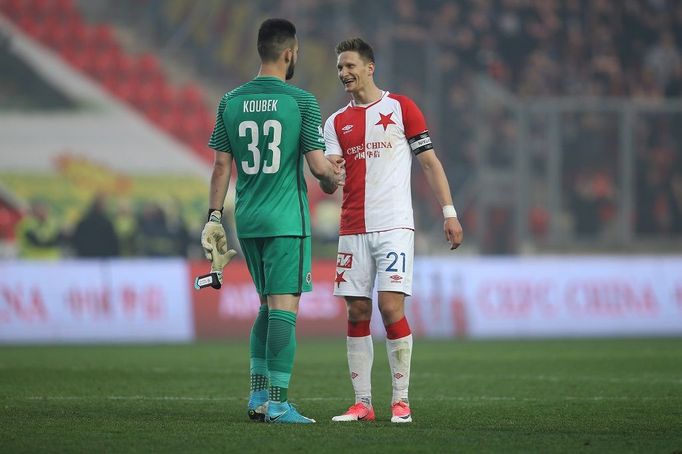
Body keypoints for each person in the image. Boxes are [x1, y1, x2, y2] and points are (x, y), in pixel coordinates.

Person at [203, 18, 344, 424]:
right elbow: (319, 169)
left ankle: (257, 396)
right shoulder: (302, 101)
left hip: (246, 221)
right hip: (286, 220)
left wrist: (214, 218)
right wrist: (335, 175)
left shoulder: (230, 100)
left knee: (266, 306)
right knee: (284, 309)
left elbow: (219, 166)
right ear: (289, 53)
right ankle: (278, 404)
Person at [321, 38, 463, 424]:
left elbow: (430, 164)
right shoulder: (334, 122)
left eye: (350, 65)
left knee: (389, 306)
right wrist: (327, 177)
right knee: (357, 309)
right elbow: (328, 180)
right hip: (352, 226)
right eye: (339, 68)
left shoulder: (401, 108)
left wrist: (448, 212)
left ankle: (400, 400)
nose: (343, 73)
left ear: (370, 67)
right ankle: (362, 403)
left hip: (395, 225)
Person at [71, 194, 119, 258]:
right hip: (102, 258)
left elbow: (76, 240)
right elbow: (113, 243)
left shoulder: (84, 222)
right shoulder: (106, 223)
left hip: (85, 258)